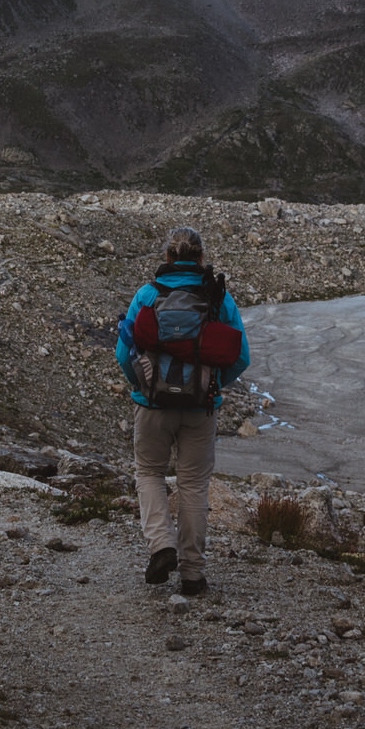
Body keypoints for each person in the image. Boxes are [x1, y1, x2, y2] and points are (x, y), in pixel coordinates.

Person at [116, 225, 252, 595]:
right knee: (193, 485)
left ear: (167, 258)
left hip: (152, 405)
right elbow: (241, 357)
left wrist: (141, 385)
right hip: (200, 408)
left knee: (149, 473)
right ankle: (193, 575)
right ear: (201, 259)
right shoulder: (217, 299)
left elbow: (123, 352)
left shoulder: (147, 295)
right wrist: (211, 385)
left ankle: (162, 546)